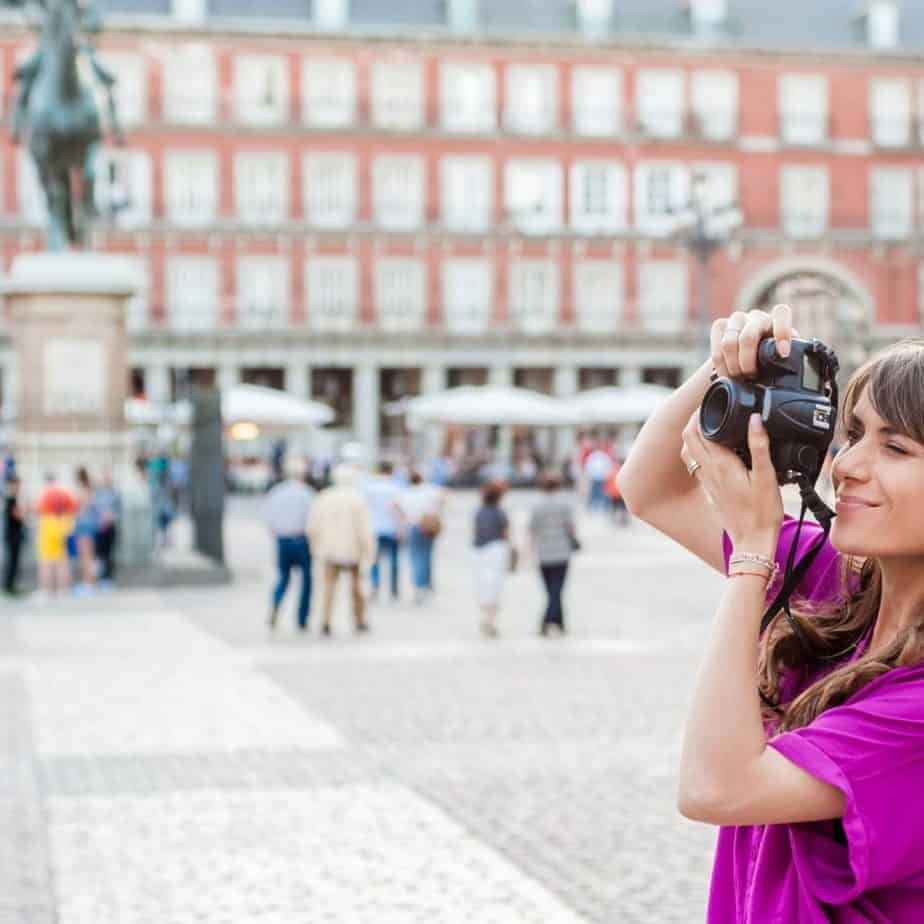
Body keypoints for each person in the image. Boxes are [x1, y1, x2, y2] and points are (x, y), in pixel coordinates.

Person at [619, 304, 924, 921]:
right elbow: (649, 487)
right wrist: (725, 365)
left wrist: (753, 558)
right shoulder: (839, 578)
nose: (846, 465)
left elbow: (716, 788)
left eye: (893, 447)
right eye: (853, 434)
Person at [309, 463, 375, 636]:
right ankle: (359, 619)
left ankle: (325, 620)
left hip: (329, 549)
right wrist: (369, 550)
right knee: (356, 587)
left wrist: (316, 546)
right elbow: (364, 529)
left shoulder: (324, 497)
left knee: (329, 587)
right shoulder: (357, 499)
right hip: (352, 550)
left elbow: (312, 526)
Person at [264, 456, 315, 631]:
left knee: (283, 577)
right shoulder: (307, 493)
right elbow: (313, 521)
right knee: (306, 581)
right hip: (302, 541)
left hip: (282, 540)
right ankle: (301, 618)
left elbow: (268, 520)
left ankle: (276, 604)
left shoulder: (275, 492)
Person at [528, 471, 578, 636]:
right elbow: (571, 527)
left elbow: (532, 530)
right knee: (556, 590)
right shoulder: (564, 505)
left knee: (551, 590)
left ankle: (556, 622)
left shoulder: (537, 506)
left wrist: (529, 550)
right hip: (562, 552)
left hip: (544, 553)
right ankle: (550, 621)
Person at [398, 470, 445, 603]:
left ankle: (419, 585)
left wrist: (403, 520)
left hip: (413, 526)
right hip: (428, 525)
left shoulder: (406, 493)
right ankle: (425, 584)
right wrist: (436, 511)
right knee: (427, 556)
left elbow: (395, 505)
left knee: (415, 557)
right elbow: (443, 496)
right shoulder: (429, 490)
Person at [473, 480, 511, 638]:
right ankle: (490, 619)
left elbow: (475, 532)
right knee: (495, 587)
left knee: (483, 585)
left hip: (480, 551)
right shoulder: (500, 513)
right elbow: (506, 534)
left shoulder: (479, 512)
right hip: (496, 551)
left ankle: (485, 617)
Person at [363, 461, 403, 602]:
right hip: (392, 528)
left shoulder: (371, 488)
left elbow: (365, 509)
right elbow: (399, 510)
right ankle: (393, 589)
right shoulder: (396, 488)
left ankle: (375, 585)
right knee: (394, 561)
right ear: (391, 471)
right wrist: (401, 529)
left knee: (374, 560)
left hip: (375, 528)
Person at [34, 473, 76, 601]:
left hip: (48, 524)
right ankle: (64, 590)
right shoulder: (64, 492)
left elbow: (38, 508)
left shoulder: (45, 493)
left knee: (46, 561)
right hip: (63, 523)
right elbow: (73, 507)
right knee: (62, 561)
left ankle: (46, 590)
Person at [93, 471, 122, 587]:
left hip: (110, 527)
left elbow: (119, 510)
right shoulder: (97, 493)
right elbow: (94, 508)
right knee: (99, 554)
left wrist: (111, 517)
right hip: (99, 528)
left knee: (109, 554)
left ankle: (109, 578)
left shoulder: (115, 493)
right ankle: (99, 577)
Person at [73, 466, 98, 595]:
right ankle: (90, 582)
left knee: (86, 556)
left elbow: (81, 507)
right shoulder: (90, 488)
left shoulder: (83, 490)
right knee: (89, 555)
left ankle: (88, 583)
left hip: (83, 524)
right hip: (90, 524)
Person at [3, 475, 25, 596]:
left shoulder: (13, 498)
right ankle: (9, 586)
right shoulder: (10, 498)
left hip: (15, 535)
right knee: (12, 562)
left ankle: (11, 585)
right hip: (13, 536)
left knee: (14, 562)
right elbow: (18, 515)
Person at [584, 441, 614, 511]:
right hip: (596, 477)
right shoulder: (594, 456)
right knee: (595, 492)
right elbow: (589, 465)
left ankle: (601, 505)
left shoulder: (603, 456)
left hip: (601, 477)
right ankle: (594, 505)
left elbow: (608, 465)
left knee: (602, 491)